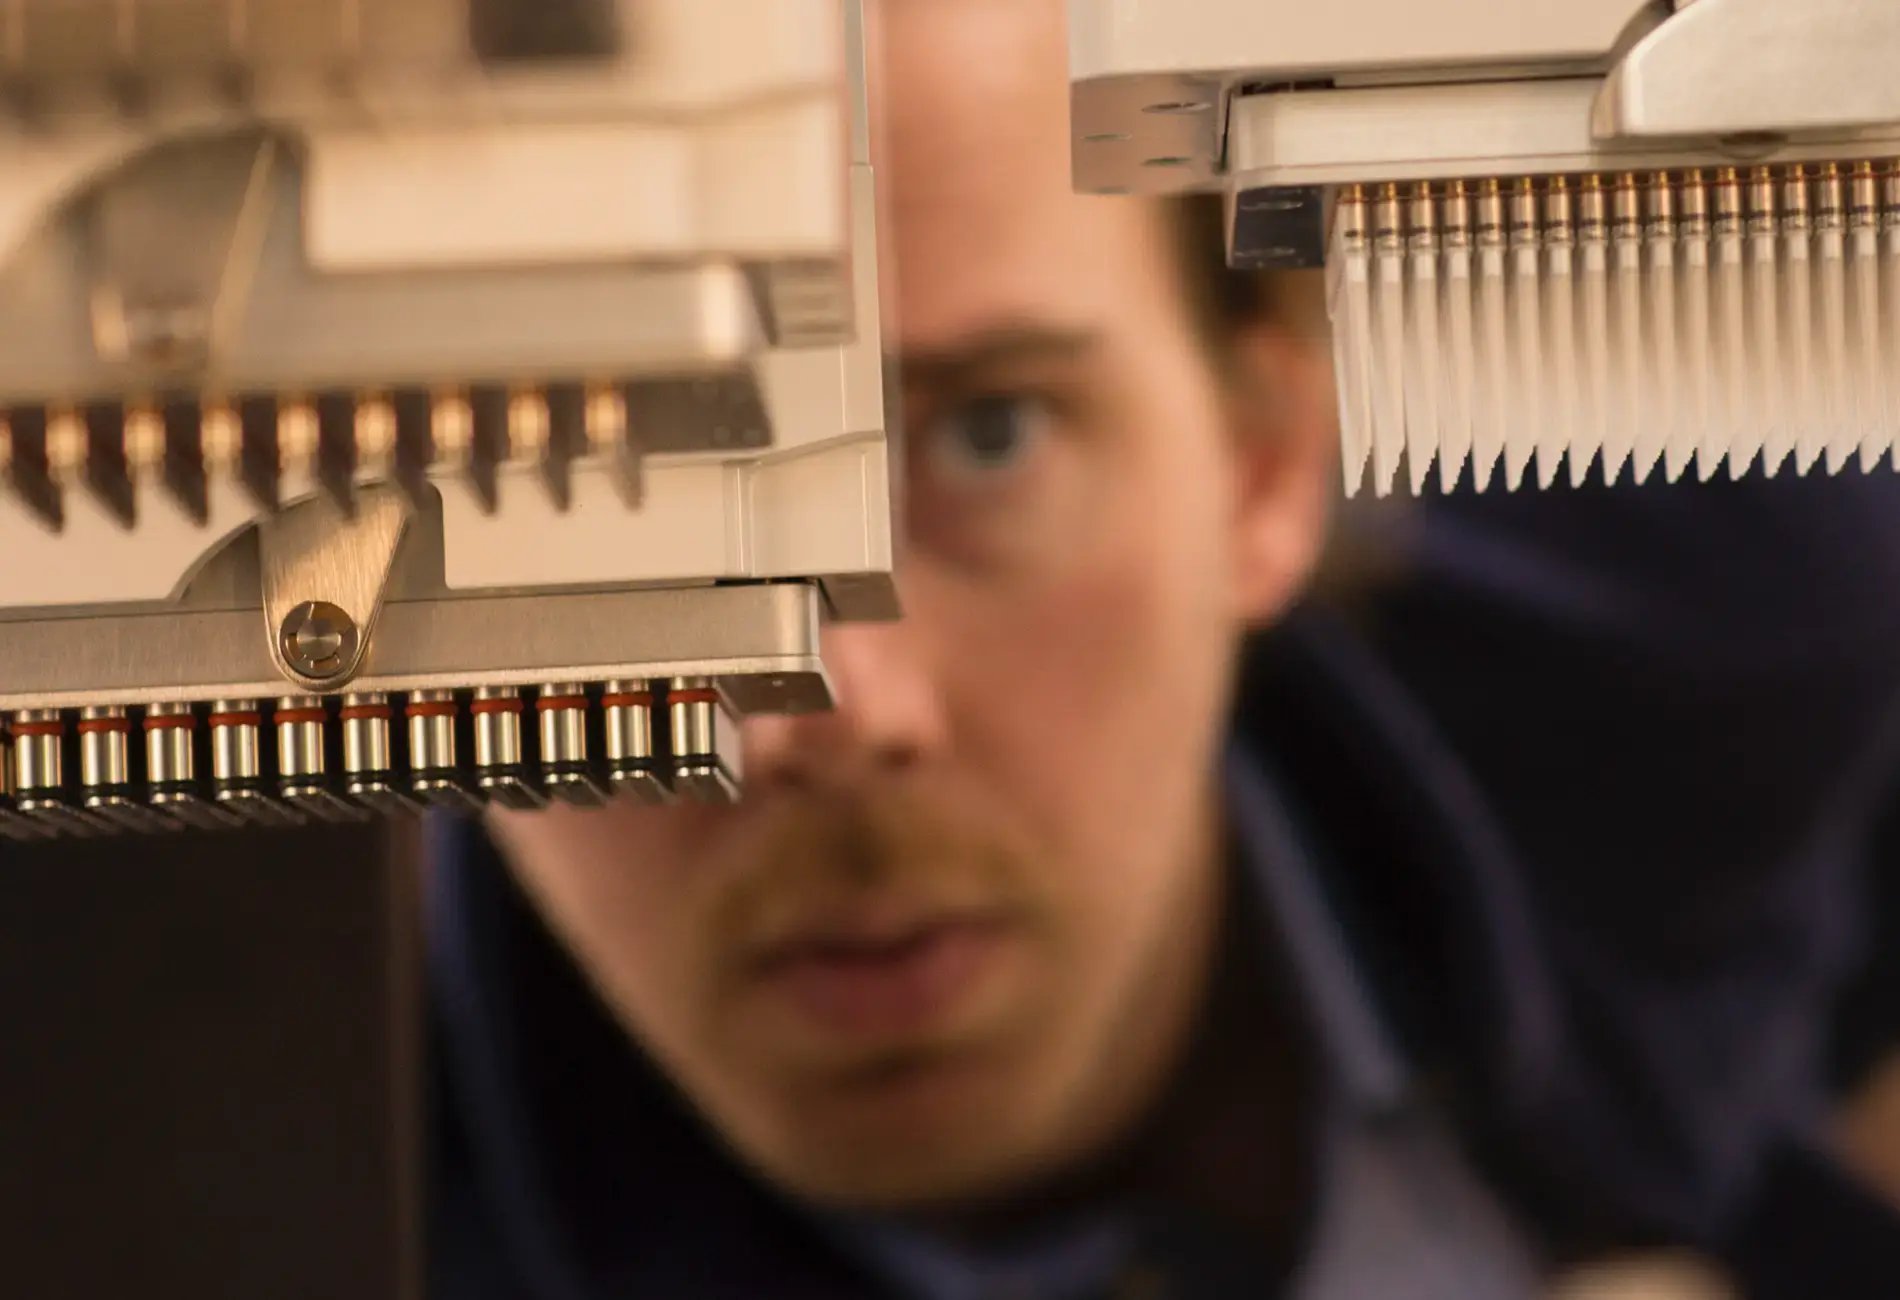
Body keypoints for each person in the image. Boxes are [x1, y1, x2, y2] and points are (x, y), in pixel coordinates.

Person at [427, 1, 1900, 1295]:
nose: (836, 707)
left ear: (1264, 461)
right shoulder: (288, 1197)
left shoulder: (1708, 597)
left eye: (987, 437)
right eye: (605, 491)